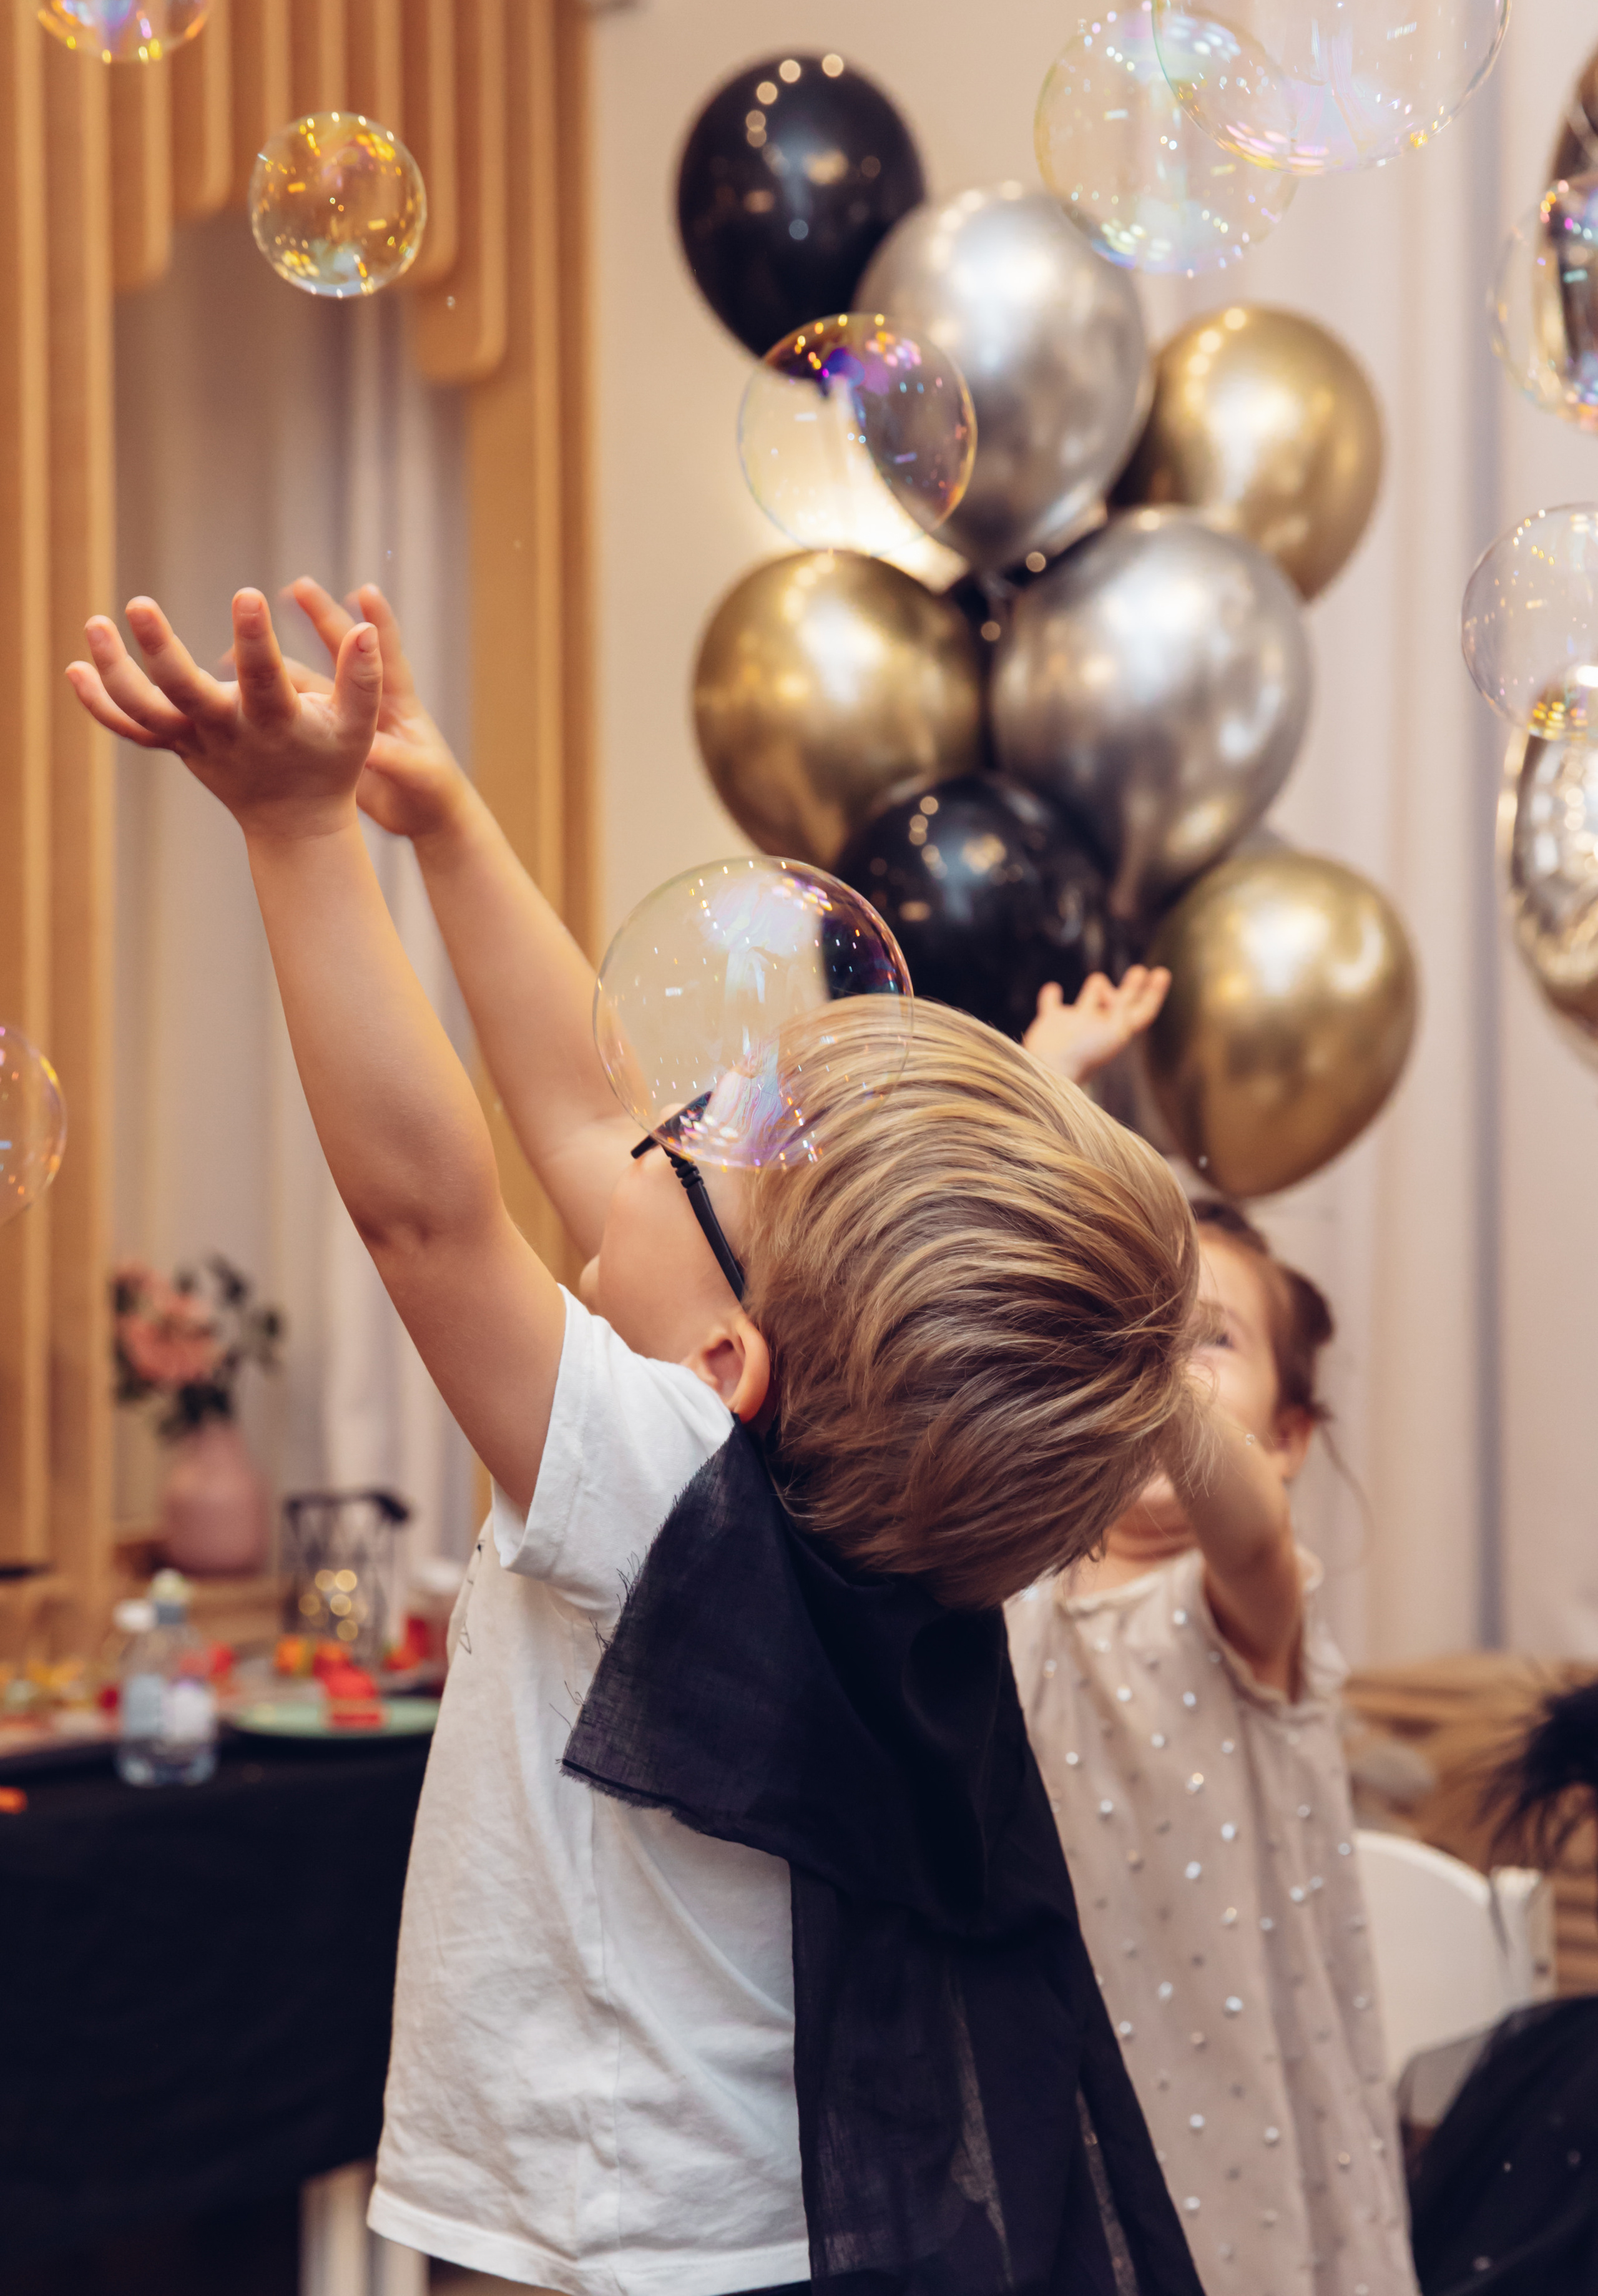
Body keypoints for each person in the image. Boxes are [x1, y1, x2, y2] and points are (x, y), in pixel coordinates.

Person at [70, 583, 1235, 2296]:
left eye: (704, 1148)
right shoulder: (847, 1526)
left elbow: (428, 1219)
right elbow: (585, 1107)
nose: (661, 1130)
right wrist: (450, 823)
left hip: (594, 2237)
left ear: (728, 1360)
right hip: (743, 2212)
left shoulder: (667, 1492)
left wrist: (301, 832)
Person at [1004, 1040, 1418, 2296]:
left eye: (1207, 1340)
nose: (1160, 1357)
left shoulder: (1238, 1609)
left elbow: (1237, 1522)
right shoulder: (1012, 1591)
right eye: (1137, 1331)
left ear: (1285, 1439)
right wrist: (1038, 1128)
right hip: (1044, 2127)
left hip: (1226, 2155)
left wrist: (1132, 1332)